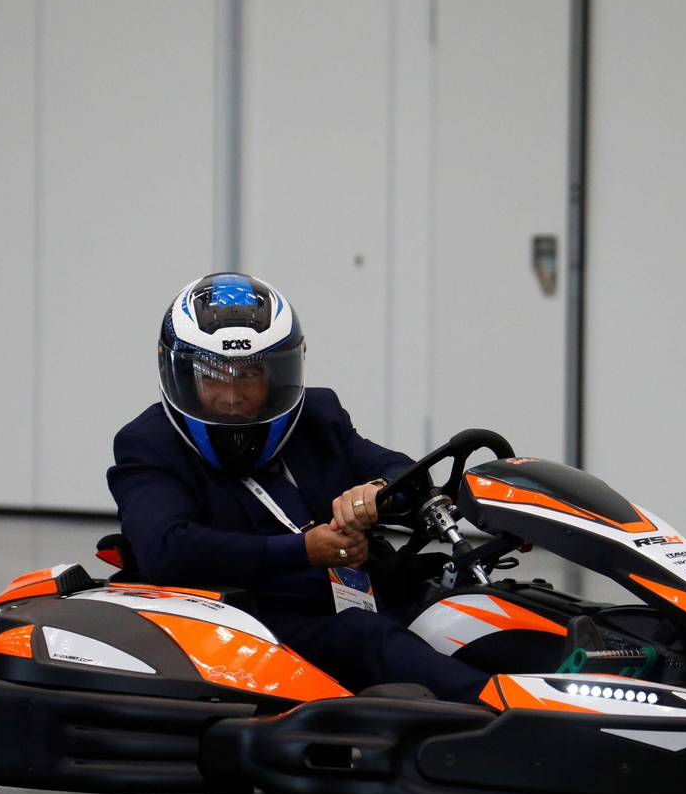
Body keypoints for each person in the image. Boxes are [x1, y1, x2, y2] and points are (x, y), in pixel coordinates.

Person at [107, 273, 491, 704]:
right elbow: (167, 550)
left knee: (475, 607)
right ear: (181, 374)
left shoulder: (316, 416)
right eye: (213, 376)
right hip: (263, 622)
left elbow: (405, 473)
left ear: (276, 375)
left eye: (248, 375)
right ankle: (511, 709)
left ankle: (568, 674)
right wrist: (304, 551)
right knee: (369, 637)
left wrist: (376, 491)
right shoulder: (149, 443)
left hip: (372, 595)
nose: (232, 396)